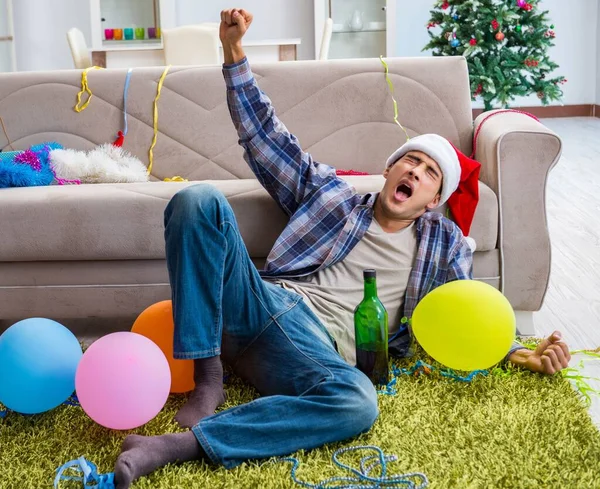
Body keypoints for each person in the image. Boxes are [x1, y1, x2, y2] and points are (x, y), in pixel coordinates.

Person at [112, 8, 571, 489]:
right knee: (197, 200)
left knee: (357, 401)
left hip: (314, 356)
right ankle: (209, 379)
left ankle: (177, 446)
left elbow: (465, 313)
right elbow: (267, 139)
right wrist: (233, 54)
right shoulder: (331, 195)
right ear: (389, 170)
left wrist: (518, 351)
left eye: (429, 172)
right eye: (409, 161)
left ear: (434, 199)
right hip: (266, 303)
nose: (414, 172)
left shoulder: (442, 245)